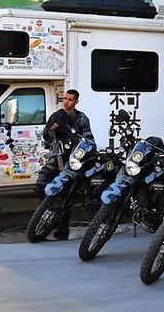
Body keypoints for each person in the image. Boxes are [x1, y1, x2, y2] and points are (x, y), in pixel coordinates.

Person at [35, 89, 93, 240]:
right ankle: (47, 212)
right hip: (56, 158)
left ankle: (62, 229)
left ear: (76, 102)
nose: (66, 102)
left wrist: (75, 140)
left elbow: (88, 139)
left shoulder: (81, 118)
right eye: (65, 99)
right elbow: (46, 136)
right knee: (40, 184)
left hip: (72, 161)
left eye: (70, 99)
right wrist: (51, 131)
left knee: (67, 195)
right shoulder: (56, 115)